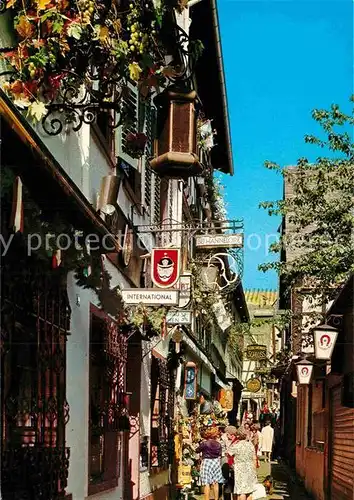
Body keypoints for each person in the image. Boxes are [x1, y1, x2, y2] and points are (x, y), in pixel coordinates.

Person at [195, 427, 224, 500]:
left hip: (207, 461)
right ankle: (216, 498)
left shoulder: (205, 443)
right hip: (216, 462)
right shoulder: (218, 444)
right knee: (215, 482)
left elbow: (197, 450)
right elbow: (220, 454)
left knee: (206, 483)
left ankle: (207, 499)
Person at [231, 426, 258, 500]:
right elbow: (254, 458)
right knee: (249, 490)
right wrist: (254, 469)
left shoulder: (236, 446)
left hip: (240, 468)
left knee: (241, 491)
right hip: (250, 467)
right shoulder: (250, 445)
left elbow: (228, 453)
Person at [220, 426, 238, 498]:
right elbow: (222, 450)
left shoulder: (236, 441)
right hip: (226, 463)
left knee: (233, 484)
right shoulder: (224, 439)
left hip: (233, 464)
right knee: (227, 482)